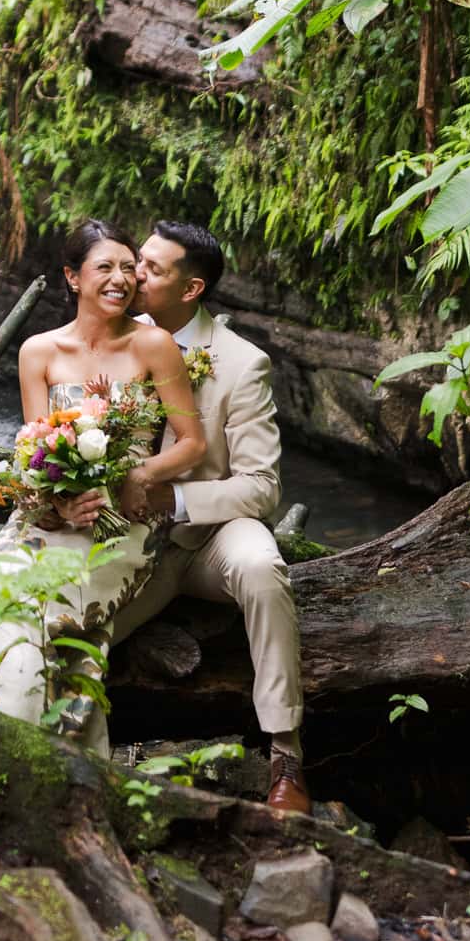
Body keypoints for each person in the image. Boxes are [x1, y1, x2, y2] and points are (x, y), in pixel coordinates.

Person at [0, 219, 205, 745]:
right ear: (73, 278)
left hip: (122, 525)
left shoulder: (154, 345)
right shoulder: (39, 352)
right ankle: (17, 748)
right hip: (49, 517)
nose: (120, 279)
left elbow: (191, 443)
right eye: (104, 268)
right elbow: (33, 452)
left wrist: (140, 473)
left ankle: (8, 746)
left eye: (127, 268)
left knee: (41, 613)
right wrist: (58, 505)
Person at [112, 221, 311, 815]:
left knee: (262, 566)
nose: (132, 274)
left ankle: (286, 754)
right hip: (122, 537)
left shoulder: (242, 364)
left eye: (150, 268)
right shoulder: (110, 335)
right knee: (73, 630)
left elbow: (261, 488)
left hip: (209, 534)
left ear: (191, 288)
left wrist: (175, 503)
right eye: (134, 261)